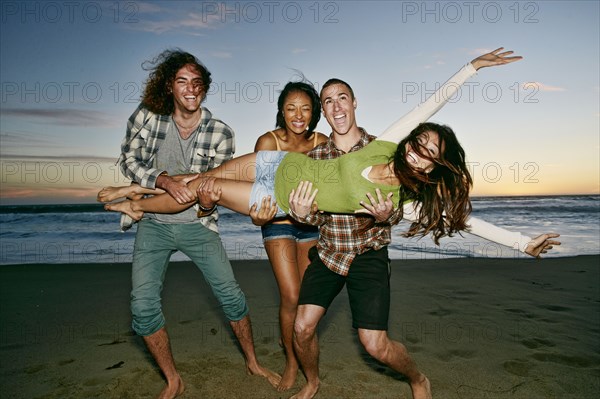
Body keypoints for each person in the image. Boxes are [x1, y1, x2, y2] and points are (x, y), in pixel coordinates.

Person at [101, 48, 560, 398]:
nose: (418, 151)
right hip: (275, 165)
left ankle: (136, 204)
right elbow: (429, 105)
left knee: (211, 191)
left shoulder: (402, 199)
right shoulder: (386, 144)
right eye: (419, 143)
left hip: (282, 198)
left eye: (428, 155)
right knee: (203, 179)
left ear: (431, 169)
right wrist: (470, 69)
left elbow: (464, 223)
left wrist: (521, 242)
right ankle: (135, 194)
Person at [100, 49, 280, 399]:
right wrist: (162, 179)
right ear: (169, 86)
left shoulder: (221, 133)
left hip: (200, 225)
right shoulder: (148, 117)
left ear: (204, 88)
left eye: (197, 83)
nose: (190, 88)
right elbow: (129, 159)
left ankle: (253, 363)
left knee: (231, 296)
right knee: (143, 305)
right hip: (154, 224)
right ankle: (172, 379)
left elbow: (215, 187)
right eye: (182, 81)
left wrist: (209, 201)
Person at [249, 80, 328, 391]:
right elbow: (261, 194)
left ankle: (304, 352)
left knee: (307, 299)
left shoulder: (321, 141)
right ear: (281, 111)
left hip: (310, 224)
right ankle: (291, 362)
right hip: (278, 222)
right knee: (291, 296)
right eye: (291, 108)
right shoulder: (269, 142)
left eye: (306, 108)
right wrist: (258, 215)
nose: (298, 115)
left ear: (314, 113)